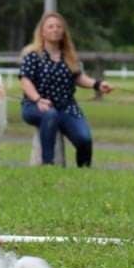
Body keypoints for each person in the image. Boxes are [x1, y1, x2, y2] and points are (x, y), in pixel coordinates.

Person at [19, 12, 112, 167]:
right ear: (42, 31)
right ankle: (48, 164)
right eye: (50, 26)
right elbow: (25, 80)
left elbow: (78, 77)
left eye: (58, 27)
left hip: (67, 107)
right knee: (50, 114)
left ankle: (84, 170)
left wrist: (97, 84)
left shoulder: (69, 55)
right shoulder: (32, 55)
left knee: (84, 139)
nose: (55, 30)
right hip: (36, 105)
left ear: (63, 31)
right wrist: (37, 99)